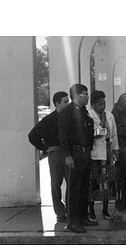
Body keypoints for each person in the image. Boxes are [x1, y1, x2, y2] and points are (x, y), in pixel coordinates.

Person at [59, 84, 95, 234]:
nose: (87, 97)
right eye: (84, 95)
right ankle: (72, 221)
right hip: (74, 154)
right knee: (74, 189)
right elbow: (63, 136)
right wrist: (68, 155)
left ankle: (82, 216)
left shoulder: (83, 111)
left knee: (84, 187)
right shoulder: (67, 112)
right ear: (76, 95)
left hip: (85, 153)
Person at [28, 91, 69, 222]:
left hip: (68, 152)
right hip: (56, 153)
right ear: (57, 104)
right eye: (65, 102)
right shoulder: (49, 120)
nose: (68, 104)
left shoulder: (70, 118)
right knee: (56, 183)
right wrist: (45, 148)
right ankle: (60, 212)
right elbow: (32, 135)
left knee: (71, 182)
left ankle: (70, 208)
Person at [88, 90, 119, 222]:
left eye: (104, 103)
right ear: (93, 104)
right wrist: (101, 130)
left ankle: (106, 209)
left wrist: (116, 150)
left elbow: (113, 134)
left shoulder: (110, 116)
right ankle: (91, 210)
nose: (103, 106)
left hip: (107, 151)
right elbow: (92, 132)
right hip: (95, 153)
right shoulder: (89, 116)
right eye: (100, 104)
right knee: (94, 183)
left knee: (107, 182)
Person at [111, 92, 126, 210]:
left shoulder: (125, 112)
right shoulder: (115, 113)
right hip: (120, 149)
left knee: (124, 176)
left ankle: (124, 199)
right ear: (124, 102)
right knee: (118, 177)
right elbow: (119, 131)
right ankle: (118, 200)